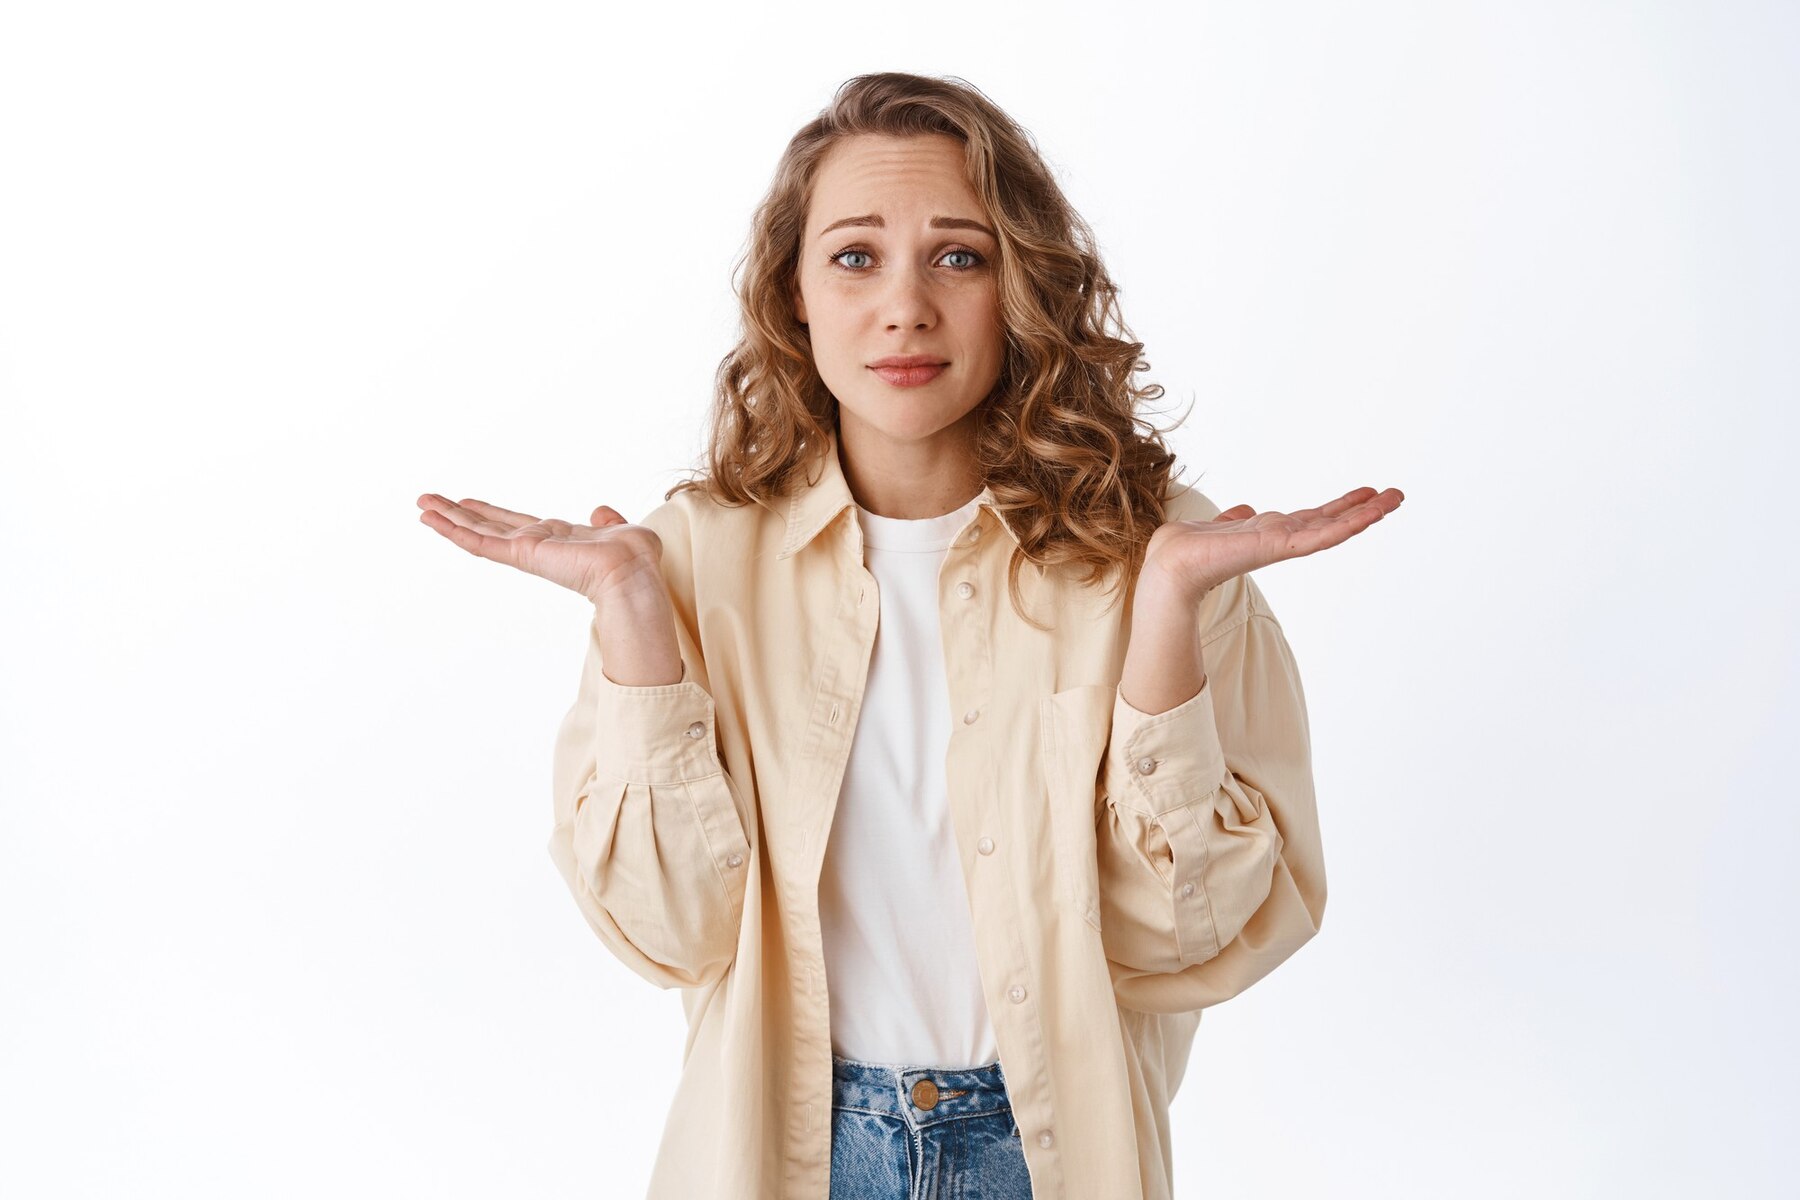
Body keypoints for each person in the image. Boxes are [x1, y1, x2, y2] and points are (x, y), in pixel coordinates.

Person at [417, 71, 1401, 1200]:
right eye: (853, 256)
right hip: (784, 1156)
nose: (905, 308)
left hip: (1048, 1158)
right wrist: (637, 620)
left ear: (1021, 285)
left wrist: (1167, 617)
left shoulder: (1167, 558)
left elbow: (1186, 945)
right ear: (793, 293)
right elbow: (671, 932)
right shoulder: (682, 562)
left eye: (958, 255)